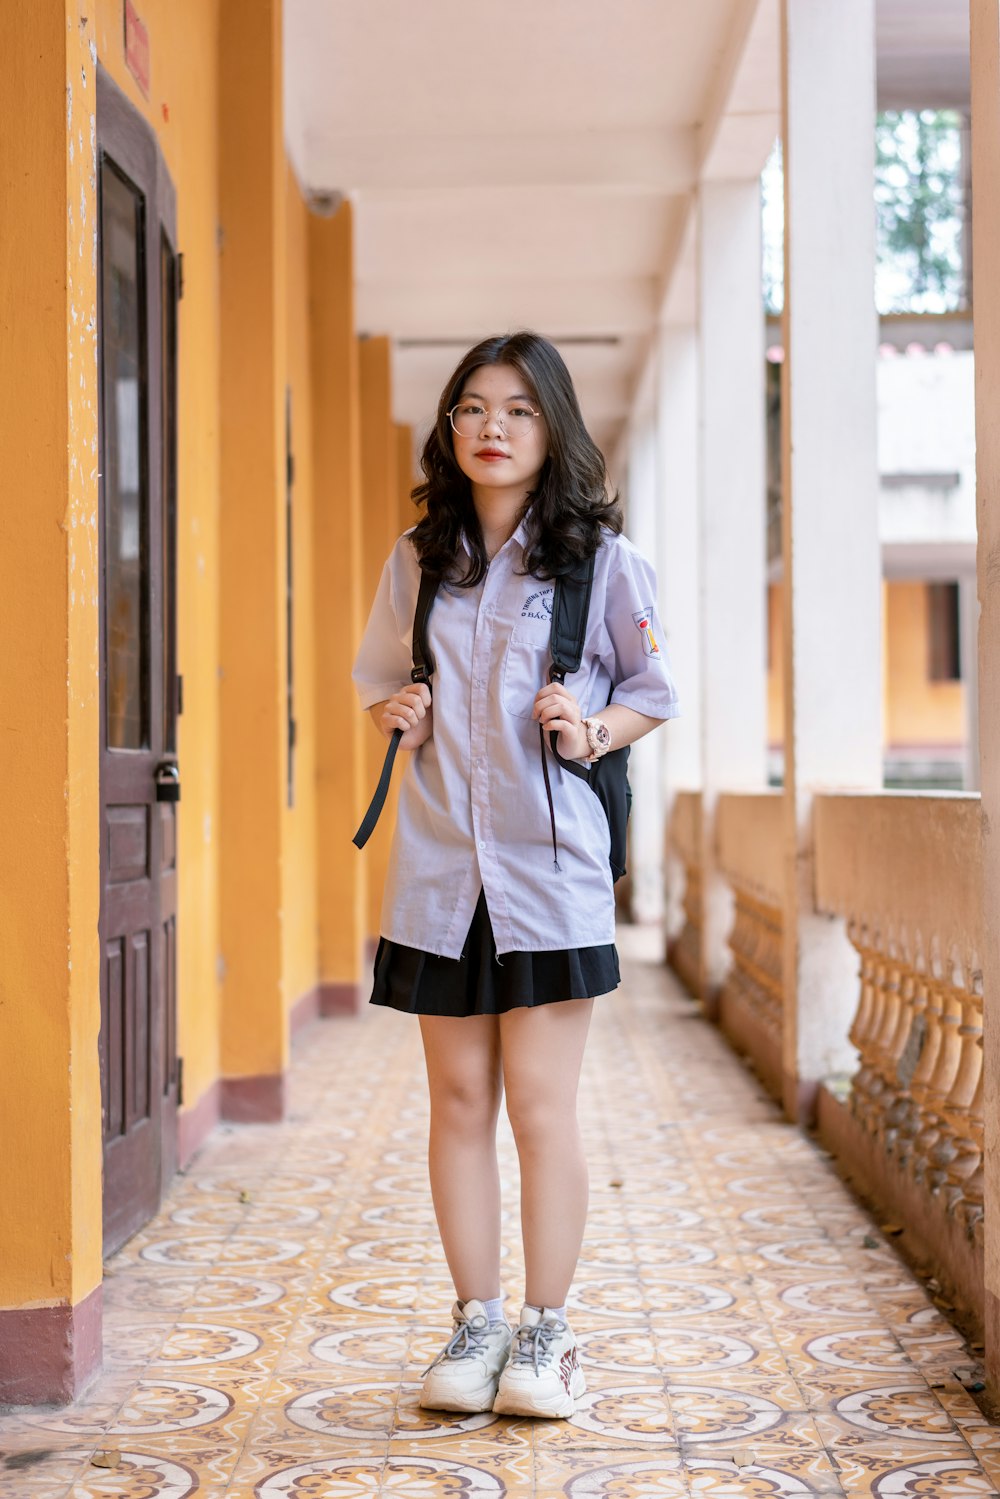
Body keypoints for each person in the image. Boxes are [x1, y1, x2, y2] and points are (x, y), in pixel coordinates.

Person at [351, 331, 679, 1420]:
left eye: (519, 411)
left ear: (553, 429)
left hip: (548, 872)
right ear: (450, 428)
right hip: (441, 866)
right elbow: (381, 677)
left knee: (540, 1107)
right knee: (455, 1100)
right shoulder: (416, 555)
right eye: (474, 408)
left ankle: (547, 1331)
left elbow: (653, 691)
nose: (494, 428)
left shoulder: (600, 560)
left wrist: (588, 729)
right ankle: (475, 1318)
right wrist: (395, 710)